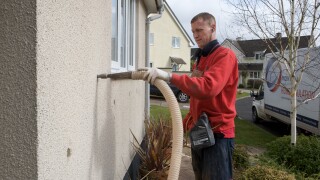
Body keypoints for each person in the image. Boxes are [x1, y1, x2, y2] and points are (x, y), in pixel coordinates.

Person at [143, 12, 238, 180]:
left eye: (199, 30)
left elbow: (208, 88)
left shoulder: (225, 56)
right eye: (193, 31)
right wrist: (187, 123)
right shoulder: (201, 59)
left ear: (213, 27)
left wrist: (169, 76)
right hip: (200, 132)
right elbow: (197, 97)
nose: (195, 35)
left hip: (218, 135)